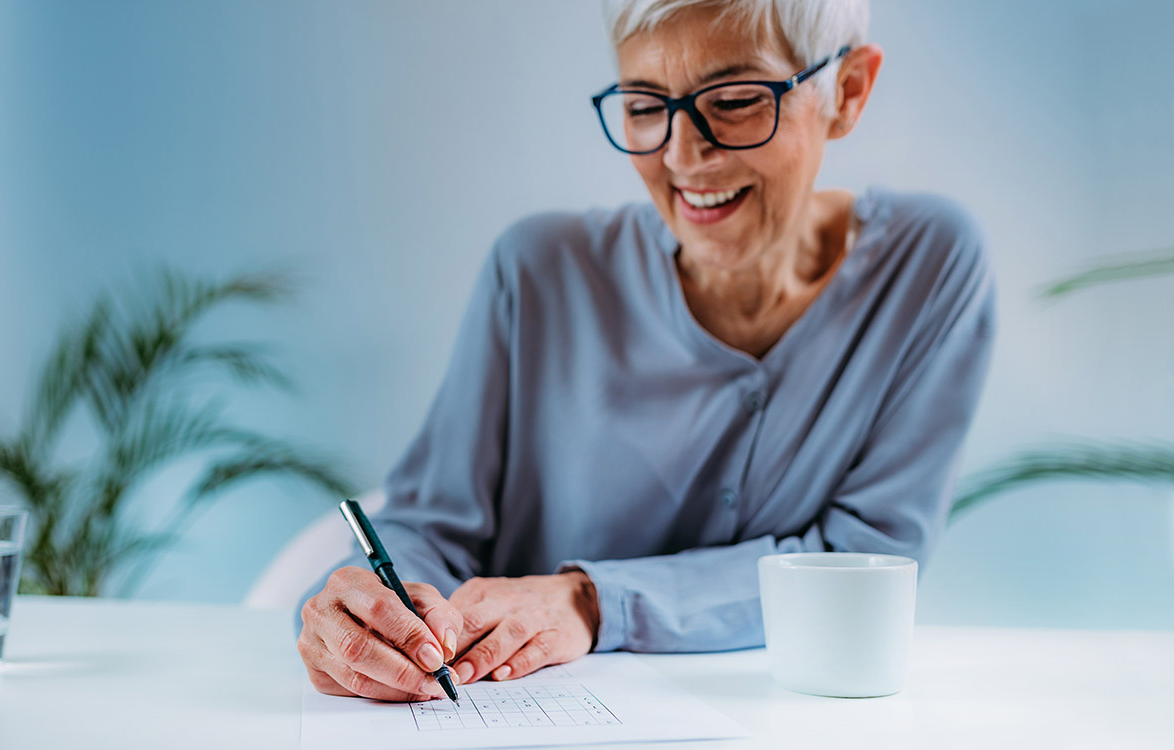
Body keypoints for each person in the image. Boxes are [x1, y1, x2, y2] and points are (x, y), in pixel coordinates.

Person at [297, 0, 995, 703]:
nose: (682, 154)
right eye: (643, 105)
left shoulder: (927, 267)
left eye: (735, 100)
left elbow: (865, 562)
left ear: (847, 91)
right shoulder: (537, 272)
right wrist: (377, 615)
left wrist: (592, 601)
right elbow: (428, 528)